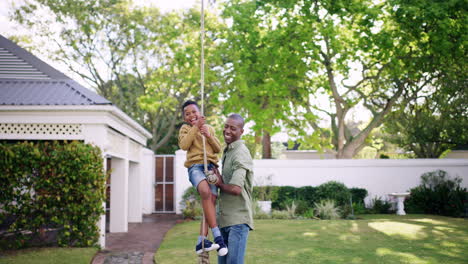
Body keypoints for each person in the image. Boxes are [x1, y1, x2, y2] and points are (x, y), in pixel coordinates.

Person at [178, 100, 228, 256]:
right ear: (185, 117)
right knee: (205, 193)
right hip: (196, 167)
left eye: (194, 112)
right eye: (187, 113)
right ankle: (218, 237)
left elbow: (218, 148)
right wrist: (195, 127)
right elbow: (184, 145)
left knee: (210, 204)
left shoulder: (209, 128)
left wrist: (208, 135)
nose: (191, 115)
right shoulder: (186, 129)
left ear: (200, 113)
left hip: (211, 168)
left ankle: (201, 241)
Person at [216, 113, 254, 264]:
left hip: (237, 221)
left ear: (241, 131)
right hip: (224, 220)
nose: (227, 130)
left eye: (233, 128)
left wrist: (219, 183)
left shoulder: (240, 152)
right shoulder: (229, 150)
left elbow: (236, 188)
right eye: (226, 126)